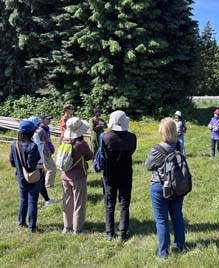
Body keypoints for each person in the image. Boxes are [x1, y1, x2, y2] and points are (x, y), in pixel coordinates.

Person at [145, 118, 187, 259]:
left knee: (162, 220)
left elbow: (148, 166)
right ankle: (180, 245)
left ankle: (163, 253)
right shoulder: (179, 145)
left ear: (162, 131)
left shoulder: (156, 149)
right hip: (177, 185)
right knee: (177, 216)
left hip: (159, 186)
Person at [102, 110, 137, 241]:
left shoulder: (105, 137)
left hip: (110, 174)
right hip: (126, 173)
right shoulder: (132, 137)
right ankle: (122, 232)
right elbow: (132, 151)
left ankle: (109, 233)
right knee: (124, 203)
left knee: (109, 204)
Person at [61, 117, 94, 234]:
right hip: (78, 175)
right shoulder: (81, 144)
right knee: (79, 202)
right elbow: (90, 156)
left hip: (65, 175)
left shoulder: (64, 140)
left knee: (67, 201)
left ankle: (67, 226)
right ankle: (78, 229)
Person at [9, 121, 43, 232]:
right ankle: (32, 226)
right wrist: (40, 167)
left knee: (23, 199)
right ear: (31, 133)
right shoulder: (33, 146)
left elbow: (12, 162)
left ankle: (21, 222)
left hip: (20, 176)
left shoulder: (14, 144)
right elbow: (30, 166)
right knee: (32, 201)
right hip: (32, 177)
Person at [28, 116, 56, 206]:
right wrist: (43, 145)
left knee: (38, 182)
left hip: (36, 161)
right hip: (37, 161)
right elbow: (37, 148)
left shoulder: (29, 134)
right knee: (39, 182)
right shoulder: (36, 134)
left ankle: (45, 199)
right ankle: (43, 201)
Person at [38, 113, 57, 188]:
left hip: (47, 150)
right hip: (44, 151)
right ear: (42, 120)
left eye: (50, 119)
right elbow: (38, 142)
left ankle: (44, 183)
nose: (49, 120)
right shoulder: (41, 129)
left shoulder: (46, 128)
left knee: (46, 168)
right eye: (47, 119)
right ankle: (49, 185)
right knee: (52, 168)